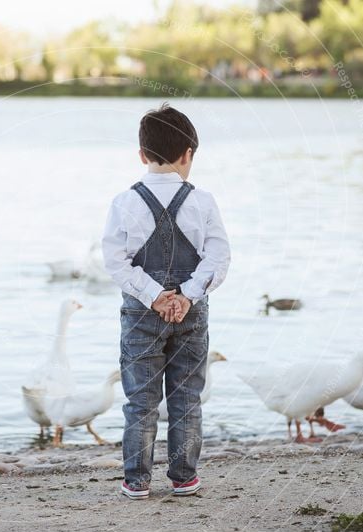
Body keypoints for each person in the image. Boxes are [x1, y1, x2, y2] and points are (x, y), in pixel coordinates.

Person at [101, 102, 231, 499]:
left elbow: (114, 261)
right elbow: (218, 257)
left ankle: (137, 481)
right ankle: (184, 477)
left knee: (140, 400)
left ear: (142, 155)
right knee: (187, 398)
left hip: (142, 314)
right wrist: (187, 297)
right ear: (188, 154)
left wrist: (155, 296)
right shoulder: (203, 200)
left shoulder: (124, 202)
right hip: (191, 314)